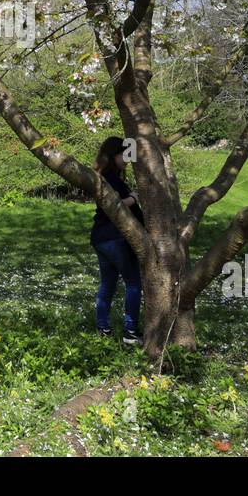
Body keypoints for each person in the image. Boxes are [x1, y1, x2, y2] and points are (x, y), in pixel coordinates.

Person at [90, 136, 142, 346]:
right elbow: (114, 205)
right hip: (115, 237)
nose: (127, 160)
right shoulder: (109, 177)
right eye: (124, 155)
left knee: (108, 285)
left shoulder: (104, 176)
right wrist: (135, 198)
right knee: (133, 284)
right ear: (113, 156)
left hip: (102, 238)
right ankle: (130, 331)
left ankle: (103, 327)